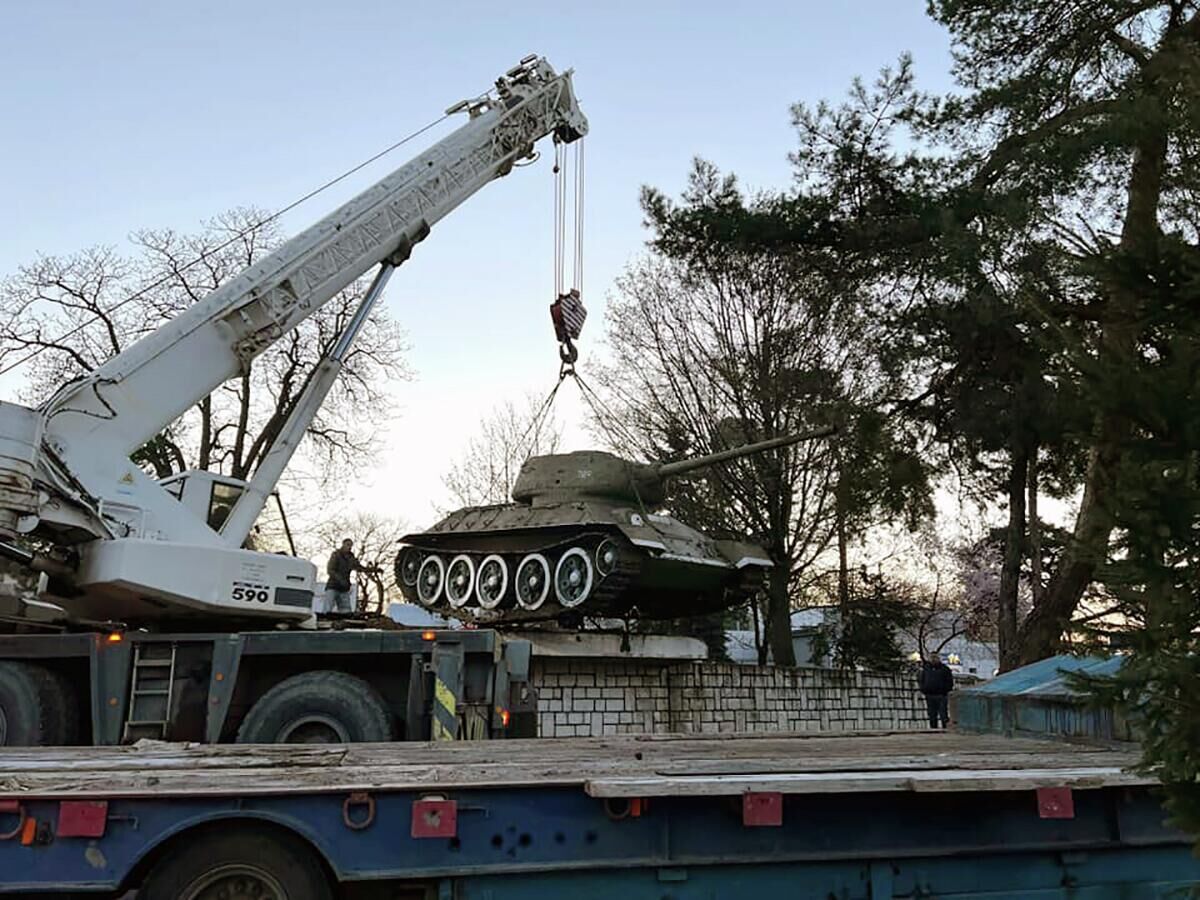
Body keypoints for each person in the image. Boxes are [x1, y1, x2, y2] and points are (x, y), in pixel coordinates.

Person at [325, 538, 366, 614]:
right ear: (343, 544)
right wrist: (340, 580)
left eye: (351, 545)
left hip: (344, 588)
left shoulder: (351, 558)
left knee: (346, 611)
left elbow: (359, 567)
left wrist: (373, 570)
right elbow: (330, 570)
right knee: (327, 609)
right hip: (333, 586)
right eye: (348, 545)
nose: (349, 547)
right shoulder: (336, 555)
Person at [918, 652, 955, 729]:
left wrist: (945, 690)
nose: (933, 659)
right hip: (929, 695)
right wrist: (923, 689)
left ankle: (945, 729)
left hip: (941, 695)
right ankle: (933, 729)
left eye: (935, 657)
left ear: (938, 658)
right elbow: (921, 679)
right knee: (932, 715)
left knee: (943, 714)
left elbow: (949, 681)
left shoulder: (945, 669)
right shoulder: (926, 668)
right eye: (932, 657)